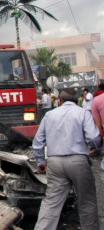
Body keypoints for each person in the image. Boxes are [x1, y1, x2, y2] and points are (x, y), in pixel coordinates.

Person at [32, 89, 101, 230]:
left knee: (51, 202)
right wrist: (95, 149)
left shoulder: (49, 115)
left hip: (54, 162)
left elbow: (38, 142)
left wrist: (40, 161)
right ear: (77, 101)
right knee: (87, 202)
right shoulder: (82, 113)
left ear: (60, 100)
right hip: (78, 162)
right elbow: (94, 138)